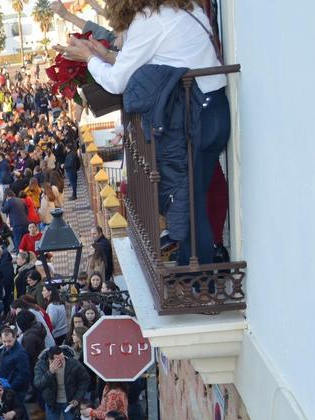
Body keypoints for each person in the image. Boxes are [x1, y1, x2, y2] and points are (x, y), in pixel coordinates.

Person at [64, 0, 228, 266]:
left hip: (194, 112)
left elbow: (118, 81)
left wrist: (90, 59)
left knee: (190, 201)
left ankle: (200, 278)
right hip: (214, 105)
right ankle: (204, 262)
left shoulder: (148, 21)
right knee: (200, 190)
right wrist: (104, 57)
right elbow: (161, 57)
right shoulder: (183, 8)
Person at [0, 328, 31, 399]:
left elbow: (23, 374)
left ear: (15, 337)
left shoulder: (21, 354)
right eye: (4, 341)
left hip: (15, 389)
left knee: (18, 408)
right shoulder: (5, 348)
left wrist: (10, 387)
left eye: (9, 341)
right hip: (6, 385)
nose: (6, 344)